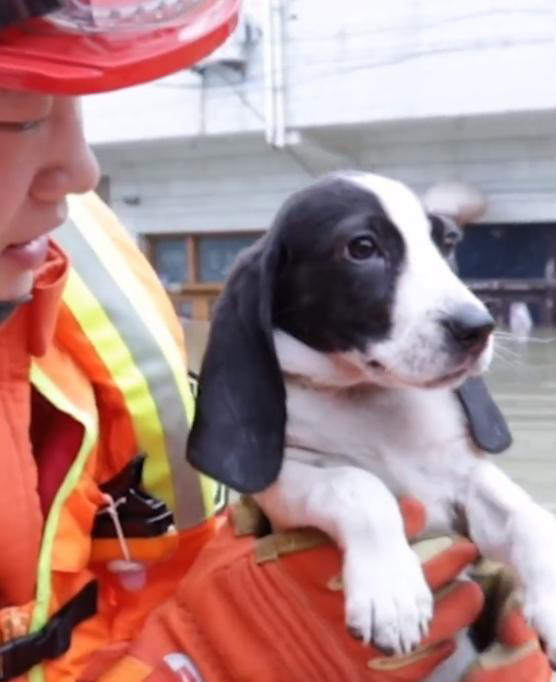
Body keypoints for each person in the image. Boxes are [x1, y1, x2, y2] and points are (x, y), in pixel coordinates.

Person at [0, 3, 550, 681]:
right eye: (17, 114)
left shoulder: (88, 266)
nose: (84, 171)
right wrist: (200, 660)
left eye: (78, 105)